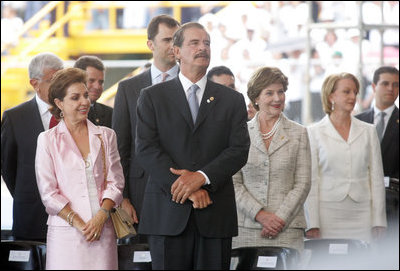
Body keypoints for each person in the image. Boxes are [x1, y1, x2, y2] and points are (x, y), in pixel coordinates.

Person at [135, 22, 250, 269]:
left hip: (214, 214)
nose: (203, 48)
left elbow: (239, 150)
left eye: (207, 43)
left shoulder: (232, 100)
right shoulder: (152, 97)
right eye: (194, 43)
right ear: (176, 52)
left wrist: (202, 177)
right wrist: (187, 186)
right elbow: (146, 149)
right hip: (168, 214)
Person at [34, 68, 125, 269]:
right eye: (75, 98)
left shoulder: (106, 135)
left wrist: (101, 217)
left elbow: (116, 182)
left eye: (85, 96)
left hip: (103, 231)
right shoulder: (47, 140)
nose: (84, 102)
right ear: (59, 104)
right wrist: (79, 223)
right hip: (65, 234)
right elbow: (48, 193)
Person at [112, 15, 180, 242]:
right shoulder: (128, 88)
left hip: (181, 188)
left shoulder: (192, 85)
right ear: (150, 44)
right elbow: (120, 148)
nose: (174, 46)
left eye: (177, 40)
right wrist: (124, 198)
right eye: (167, 40)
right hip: (139, 192)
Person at [232, 67, 311, 253]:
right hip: (246, 228)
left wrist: (279, 219)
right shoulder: (239, 133)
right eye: (269, 93)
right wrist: (260, 215)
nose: (277, 98)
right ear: (256, 98)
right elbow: (233, 182)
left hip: (288, 228)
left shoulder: (299, 133)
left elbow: (303, 183)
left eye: (281, 92)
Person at [305, 72, 387, 244]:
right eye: (346, 91)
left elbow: (376, 179)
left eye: (355, 92)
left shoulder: (368, 131)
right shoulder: (313, 132)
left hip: (362, 214)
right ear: (331, 96)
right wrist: (312, 223)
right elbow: (311, 181)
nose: (352, 97)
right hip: (327, 214)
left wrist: (379, 220)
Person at [1, 52, 64, 241]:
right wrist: (27, 193)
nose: (60, 87)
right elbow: (7, 167)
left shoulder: (73, 113)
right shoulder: (15, 118)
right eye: (53, 80)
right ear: (34, 84)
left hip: (72, 217)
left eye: (62, 79)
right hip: (31, 214)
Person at [355, 66, 399, 179]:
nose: (390, 88)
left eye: (396, 85)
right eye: (385, 84)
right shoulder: (357, 121)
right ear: (374, 87)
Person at [74, 55, 113, 128]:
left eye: (101, 82)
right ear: (76, 80)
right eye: (91, 81)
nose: (97, 86)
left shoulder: (111, 114)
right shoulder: (62, 113)